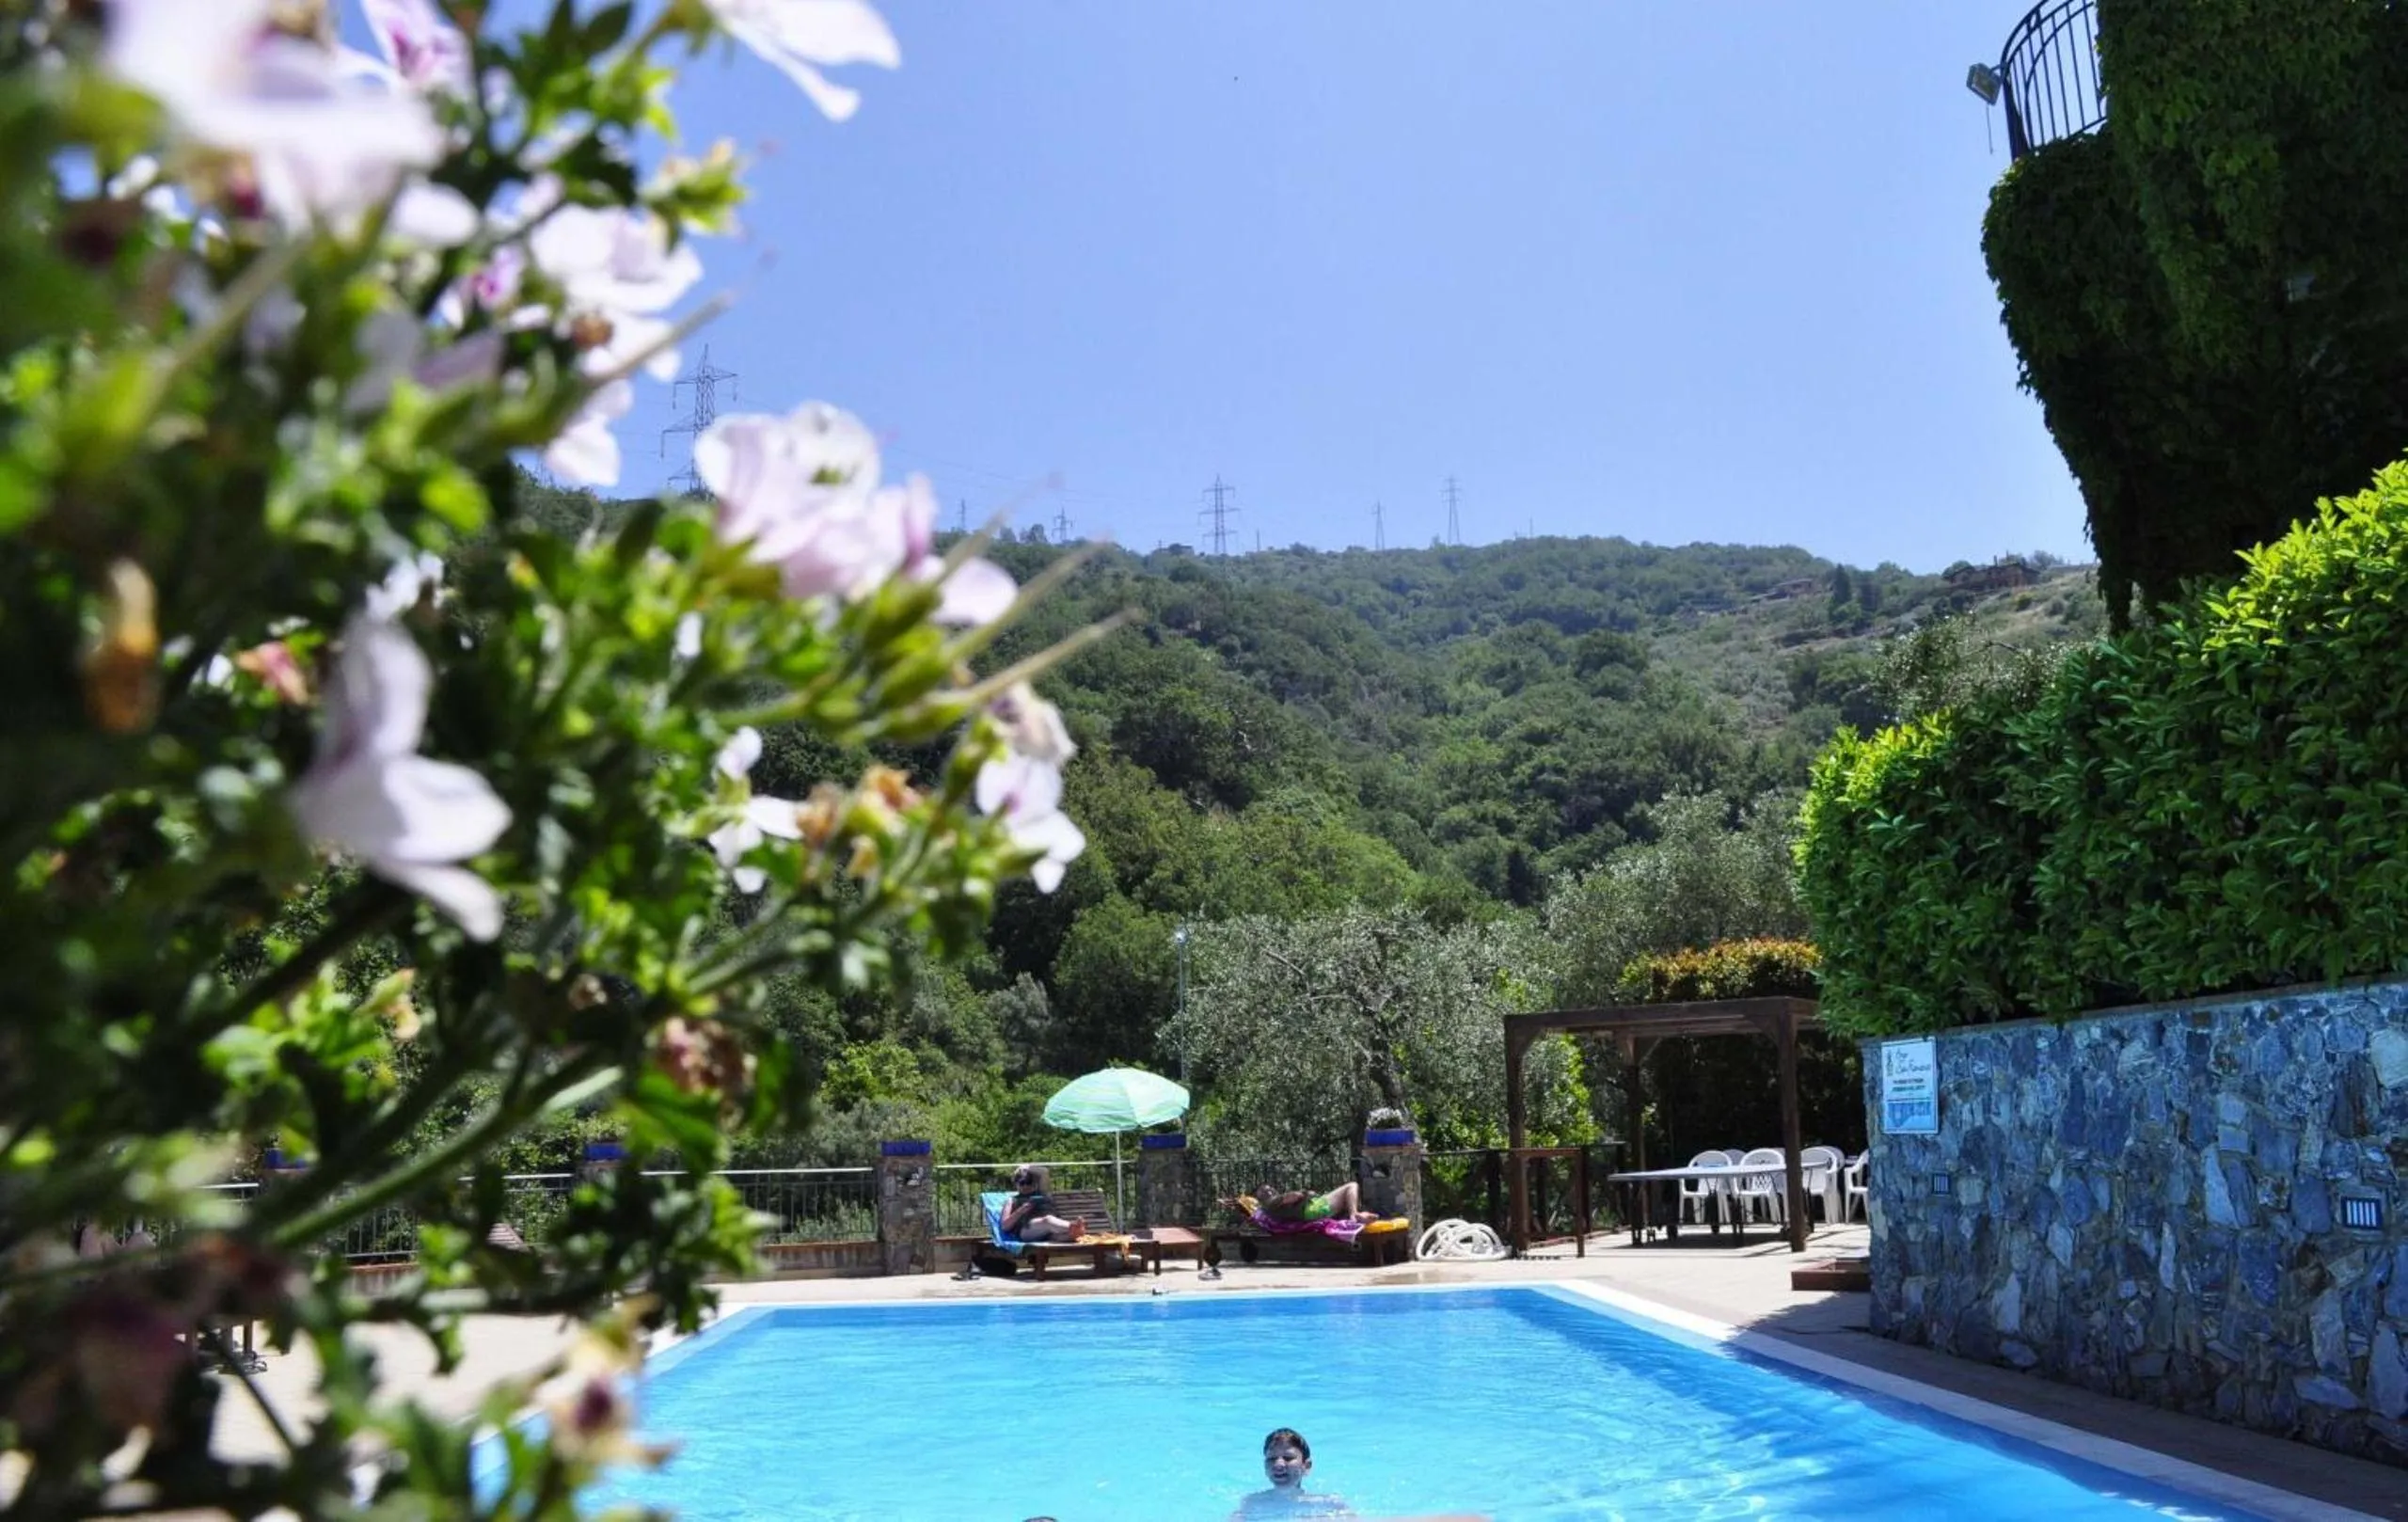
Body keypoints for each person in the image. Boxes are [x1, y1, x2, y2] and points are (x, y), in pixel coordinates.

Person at [1232, 1428, 1356, 1518]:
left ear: (1306, 1466)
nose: (1278, 1465)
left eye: (1288, 1458)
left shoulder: (1329, 1504)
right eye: (1271, 1459)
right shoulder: (1252, 1503)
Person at [1000, 1165, 1085, 1243]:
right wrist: (1020, 1211)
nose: (1025, 1186)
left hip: (1048, 1231)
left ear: (1034, 1183)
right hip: (1026, 1230)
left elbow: (1043, 1173)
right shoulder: (1012, 1200)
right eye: (1022, 1183)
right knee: (1048, 1220)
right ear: (1016, 1184)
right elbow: (1004, 1226)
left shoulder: (1042, 1195)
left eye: (1029, 1182)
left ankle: (1075, 1231)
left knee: (1065, 1236)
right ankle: (1074, 1227)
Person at [1250, 1181, 1377, 1226]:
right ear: (1260, 1197)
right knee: (1351, 1186)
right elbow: (1293, 1196)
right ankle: (1354, 1215)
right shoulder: (1270, 1203)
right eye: (1264, 1190)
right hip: (1313, 1209)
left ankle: (1357, 1214)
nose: (1269, 1190)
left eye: (1269, 1188)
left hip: (1313, 1206)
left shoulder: (1269, 1208)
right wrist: (1304, 1193)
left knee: (1347, 1197)